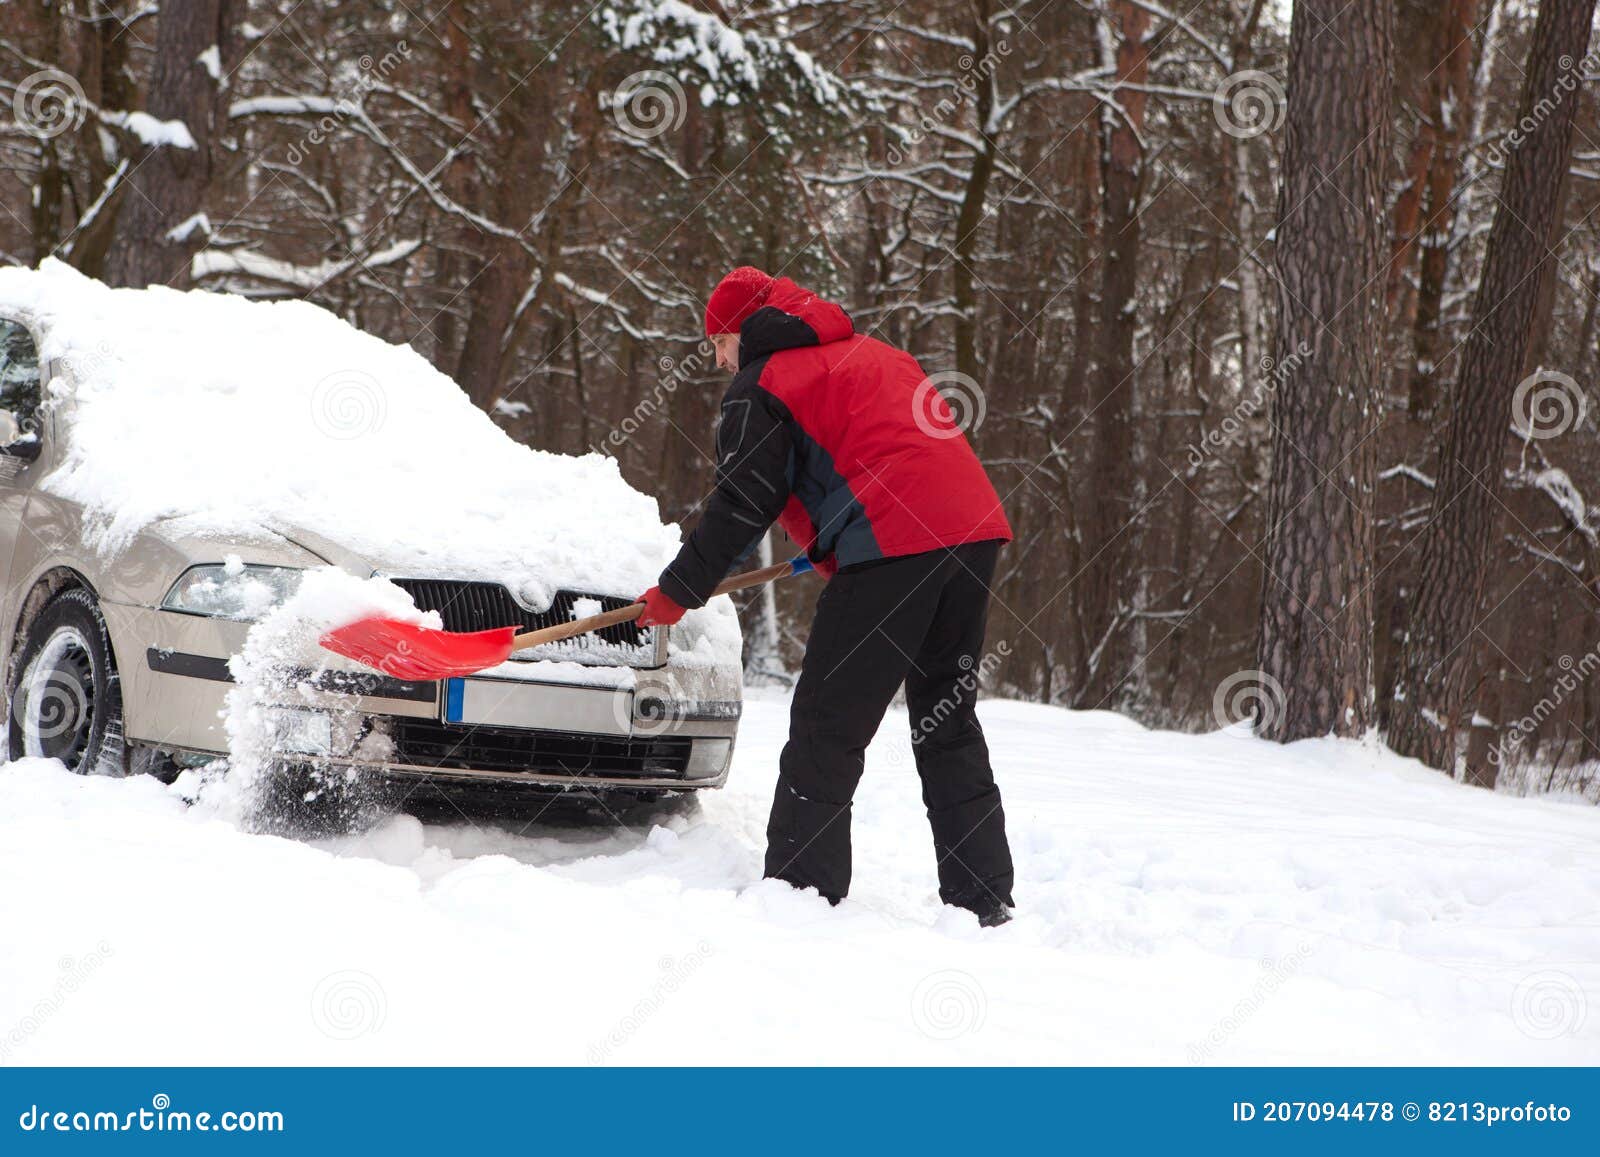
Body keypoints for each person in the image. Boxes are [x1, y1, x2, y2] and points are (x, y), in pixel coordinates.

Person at [634, 266, 1016, 926]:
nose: (722, 359)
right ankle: (983, 899)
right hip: (971, 533)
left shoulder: (764, 382)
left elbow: (741, 503)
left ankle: (799, 896)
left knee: (825, 723)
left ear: (738, 330)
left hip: (896, 542)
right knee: (946, 723)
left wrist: (677, 590)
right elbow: (881, 451)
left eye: (719, 343)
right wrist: (836, 537)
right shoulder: (871, 353)